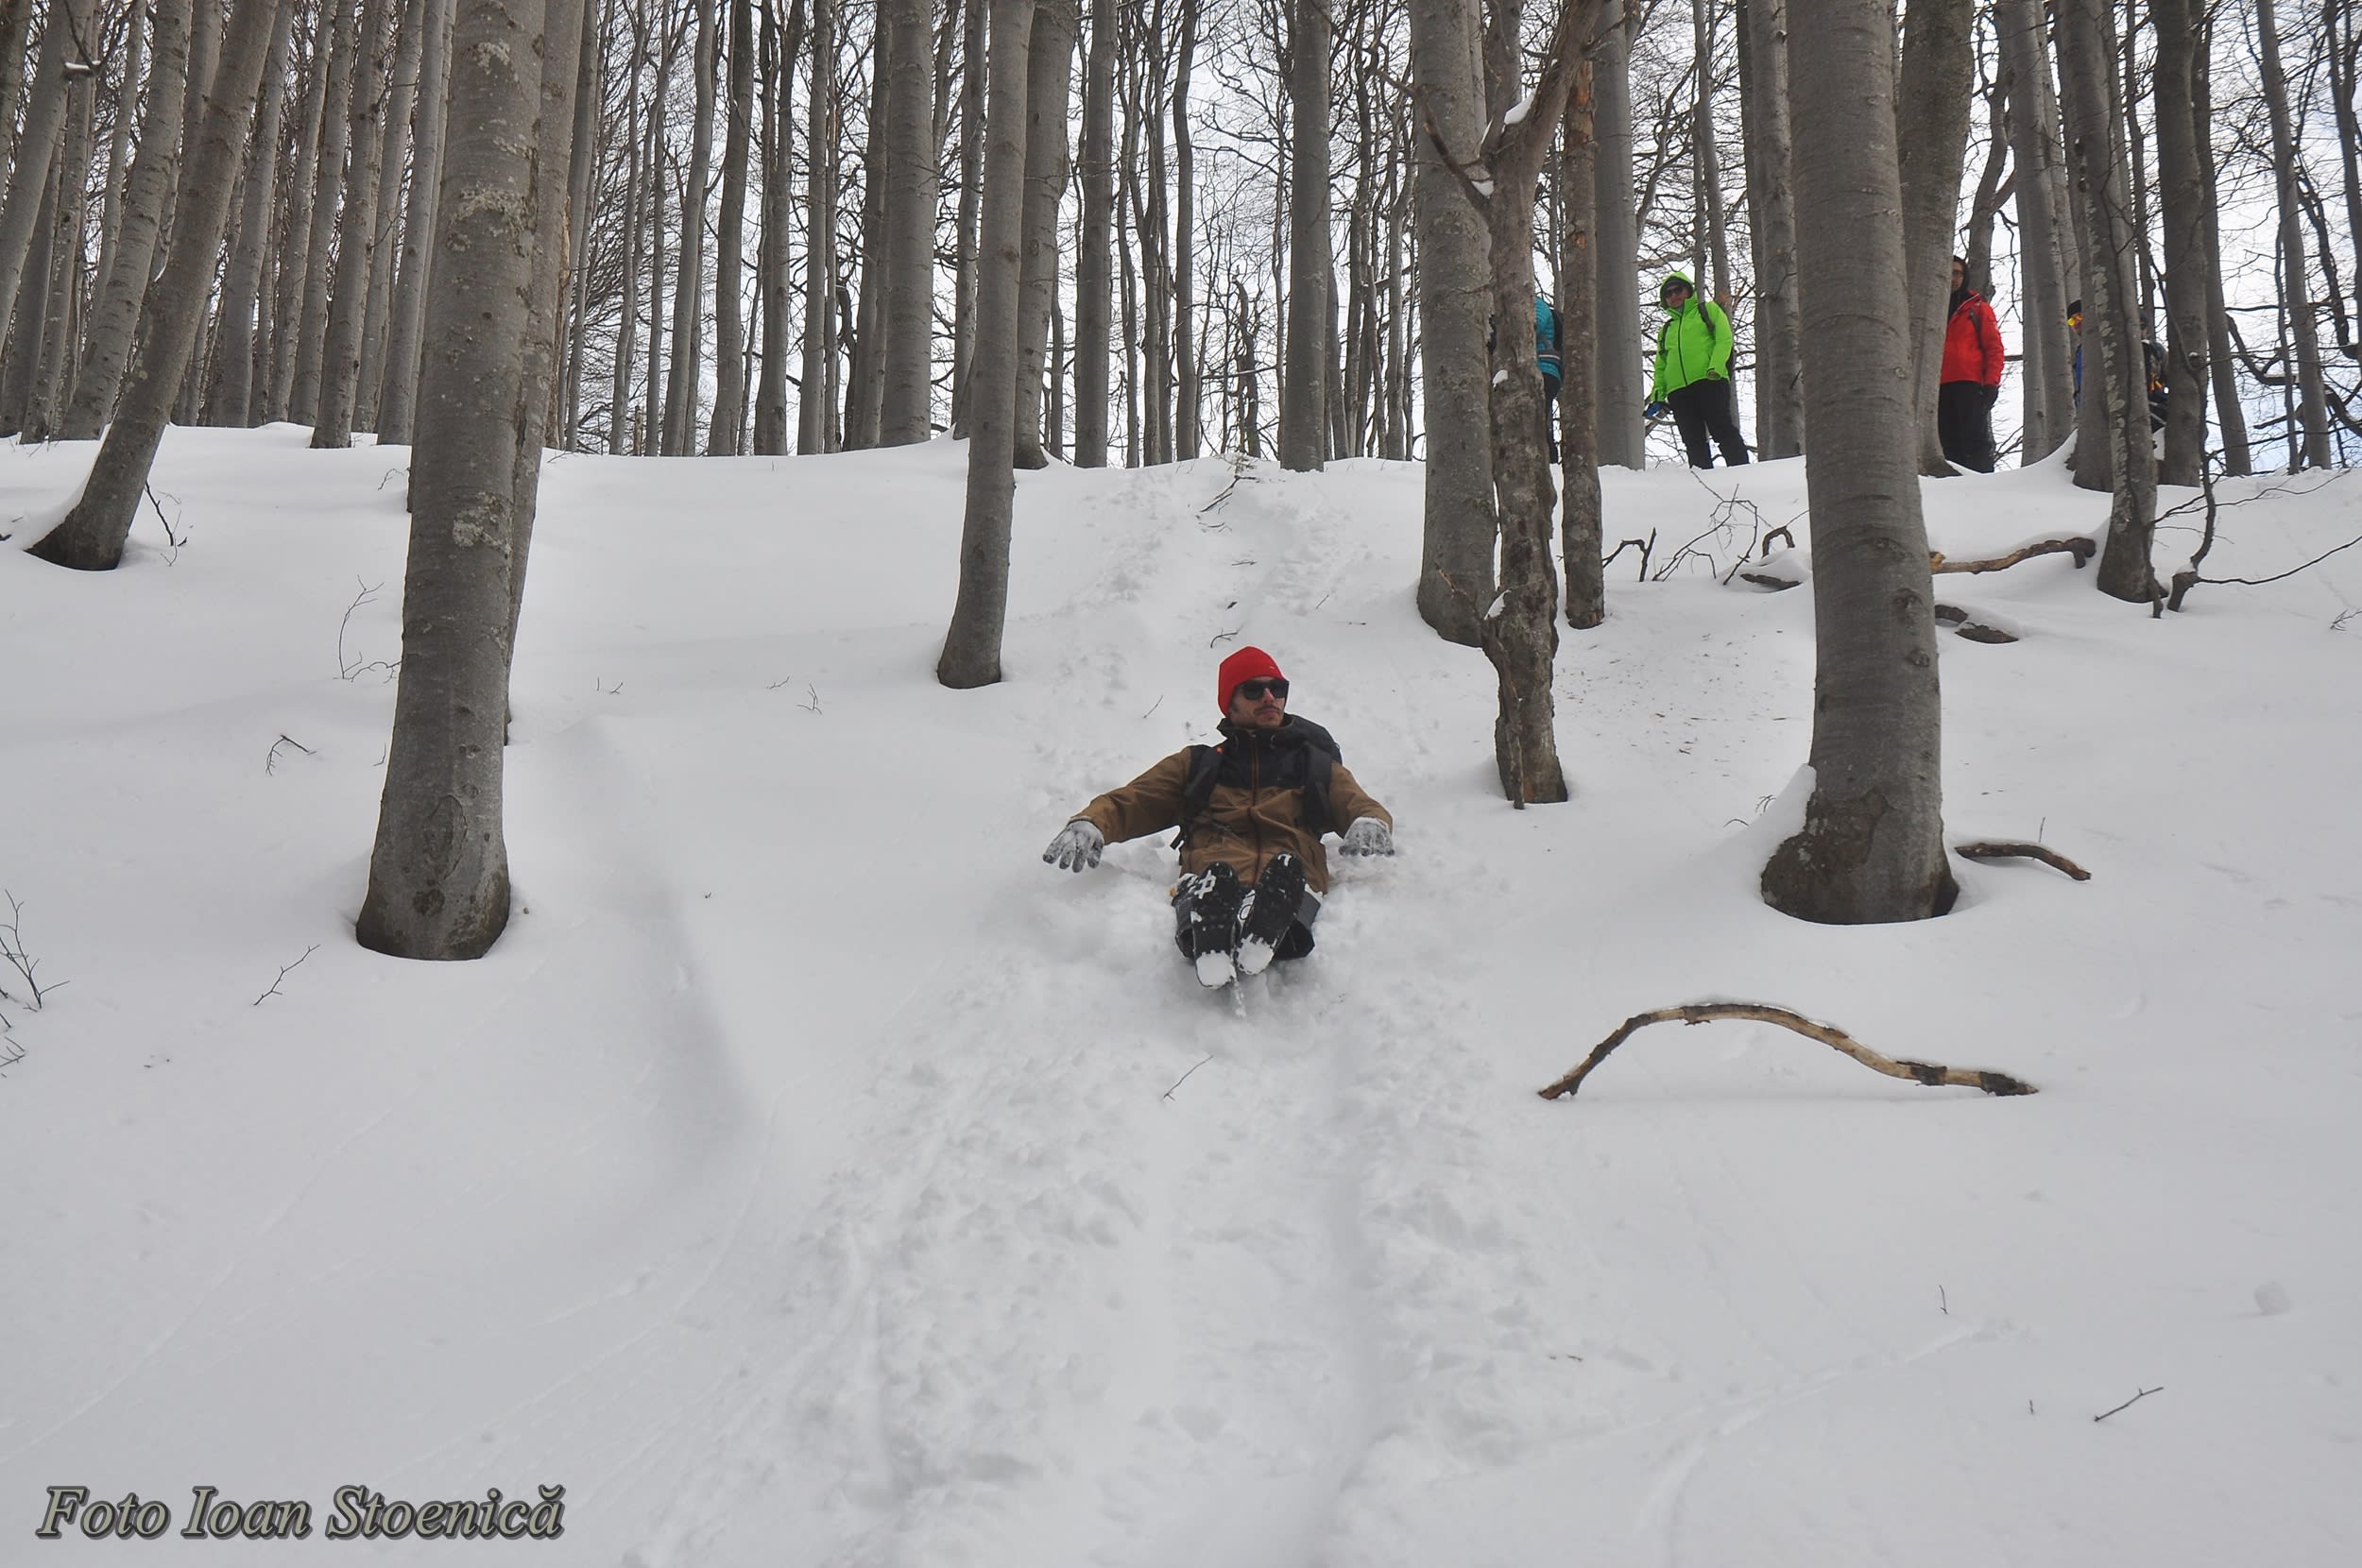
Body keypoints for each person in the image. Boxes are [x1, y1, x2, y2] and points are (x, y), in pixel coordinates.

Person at [1042, 646, 1395, 988]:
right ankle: (1216, 928)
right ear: (1231, 703)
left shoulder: (1314, 764)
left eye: (1278, 688)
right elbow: (1133, 800)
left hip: (1289, 872)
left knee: (1288, 875)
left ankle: (1267, 925)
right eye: (1254, 690)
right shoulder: (1199, 764)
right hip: (1214, 867)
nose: (1270, 697)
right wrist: (1091, 822)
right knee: (1214, 880)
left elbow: (1356, 803)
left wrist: (1370, 822)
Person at [1645, 273, 1750, 468]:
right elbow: (1661, 364)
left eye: (1678, 289)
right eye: (1668, 293)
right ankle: (1702, 482)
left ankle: (1742, 471)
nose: (1674, 295)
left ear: (1688, 290)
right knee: (1692, 440)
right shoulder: (1666, 329)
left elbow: (1724, 339)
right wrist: (1658, 394)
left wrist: (1716, 368)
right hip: (1678, 390)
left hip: (1709, 380)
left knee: (1721, 429)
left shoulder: (1707, 310)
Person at [1939, 256, 2005, 472]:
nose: (1952, 278)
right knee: (1947, 443)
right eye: (1949, 272)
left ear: (1965, 277)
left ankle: (1983, 488)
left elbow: (1994, 349)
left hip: (1969, 383)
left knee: (1975, 440)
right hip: (1937, 386)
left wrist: (1991, 384)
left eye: (1957, 273)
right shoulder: (1930, 310)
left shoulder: (1978, 309)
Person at [1536, 293, 1563, 462]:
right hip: (1543, 371)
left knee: (1539, 420)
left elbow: (1533, 326)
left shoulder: (1537, 304)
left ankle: (1549, 459)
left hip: (1544, 371)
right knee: (1540, 418)